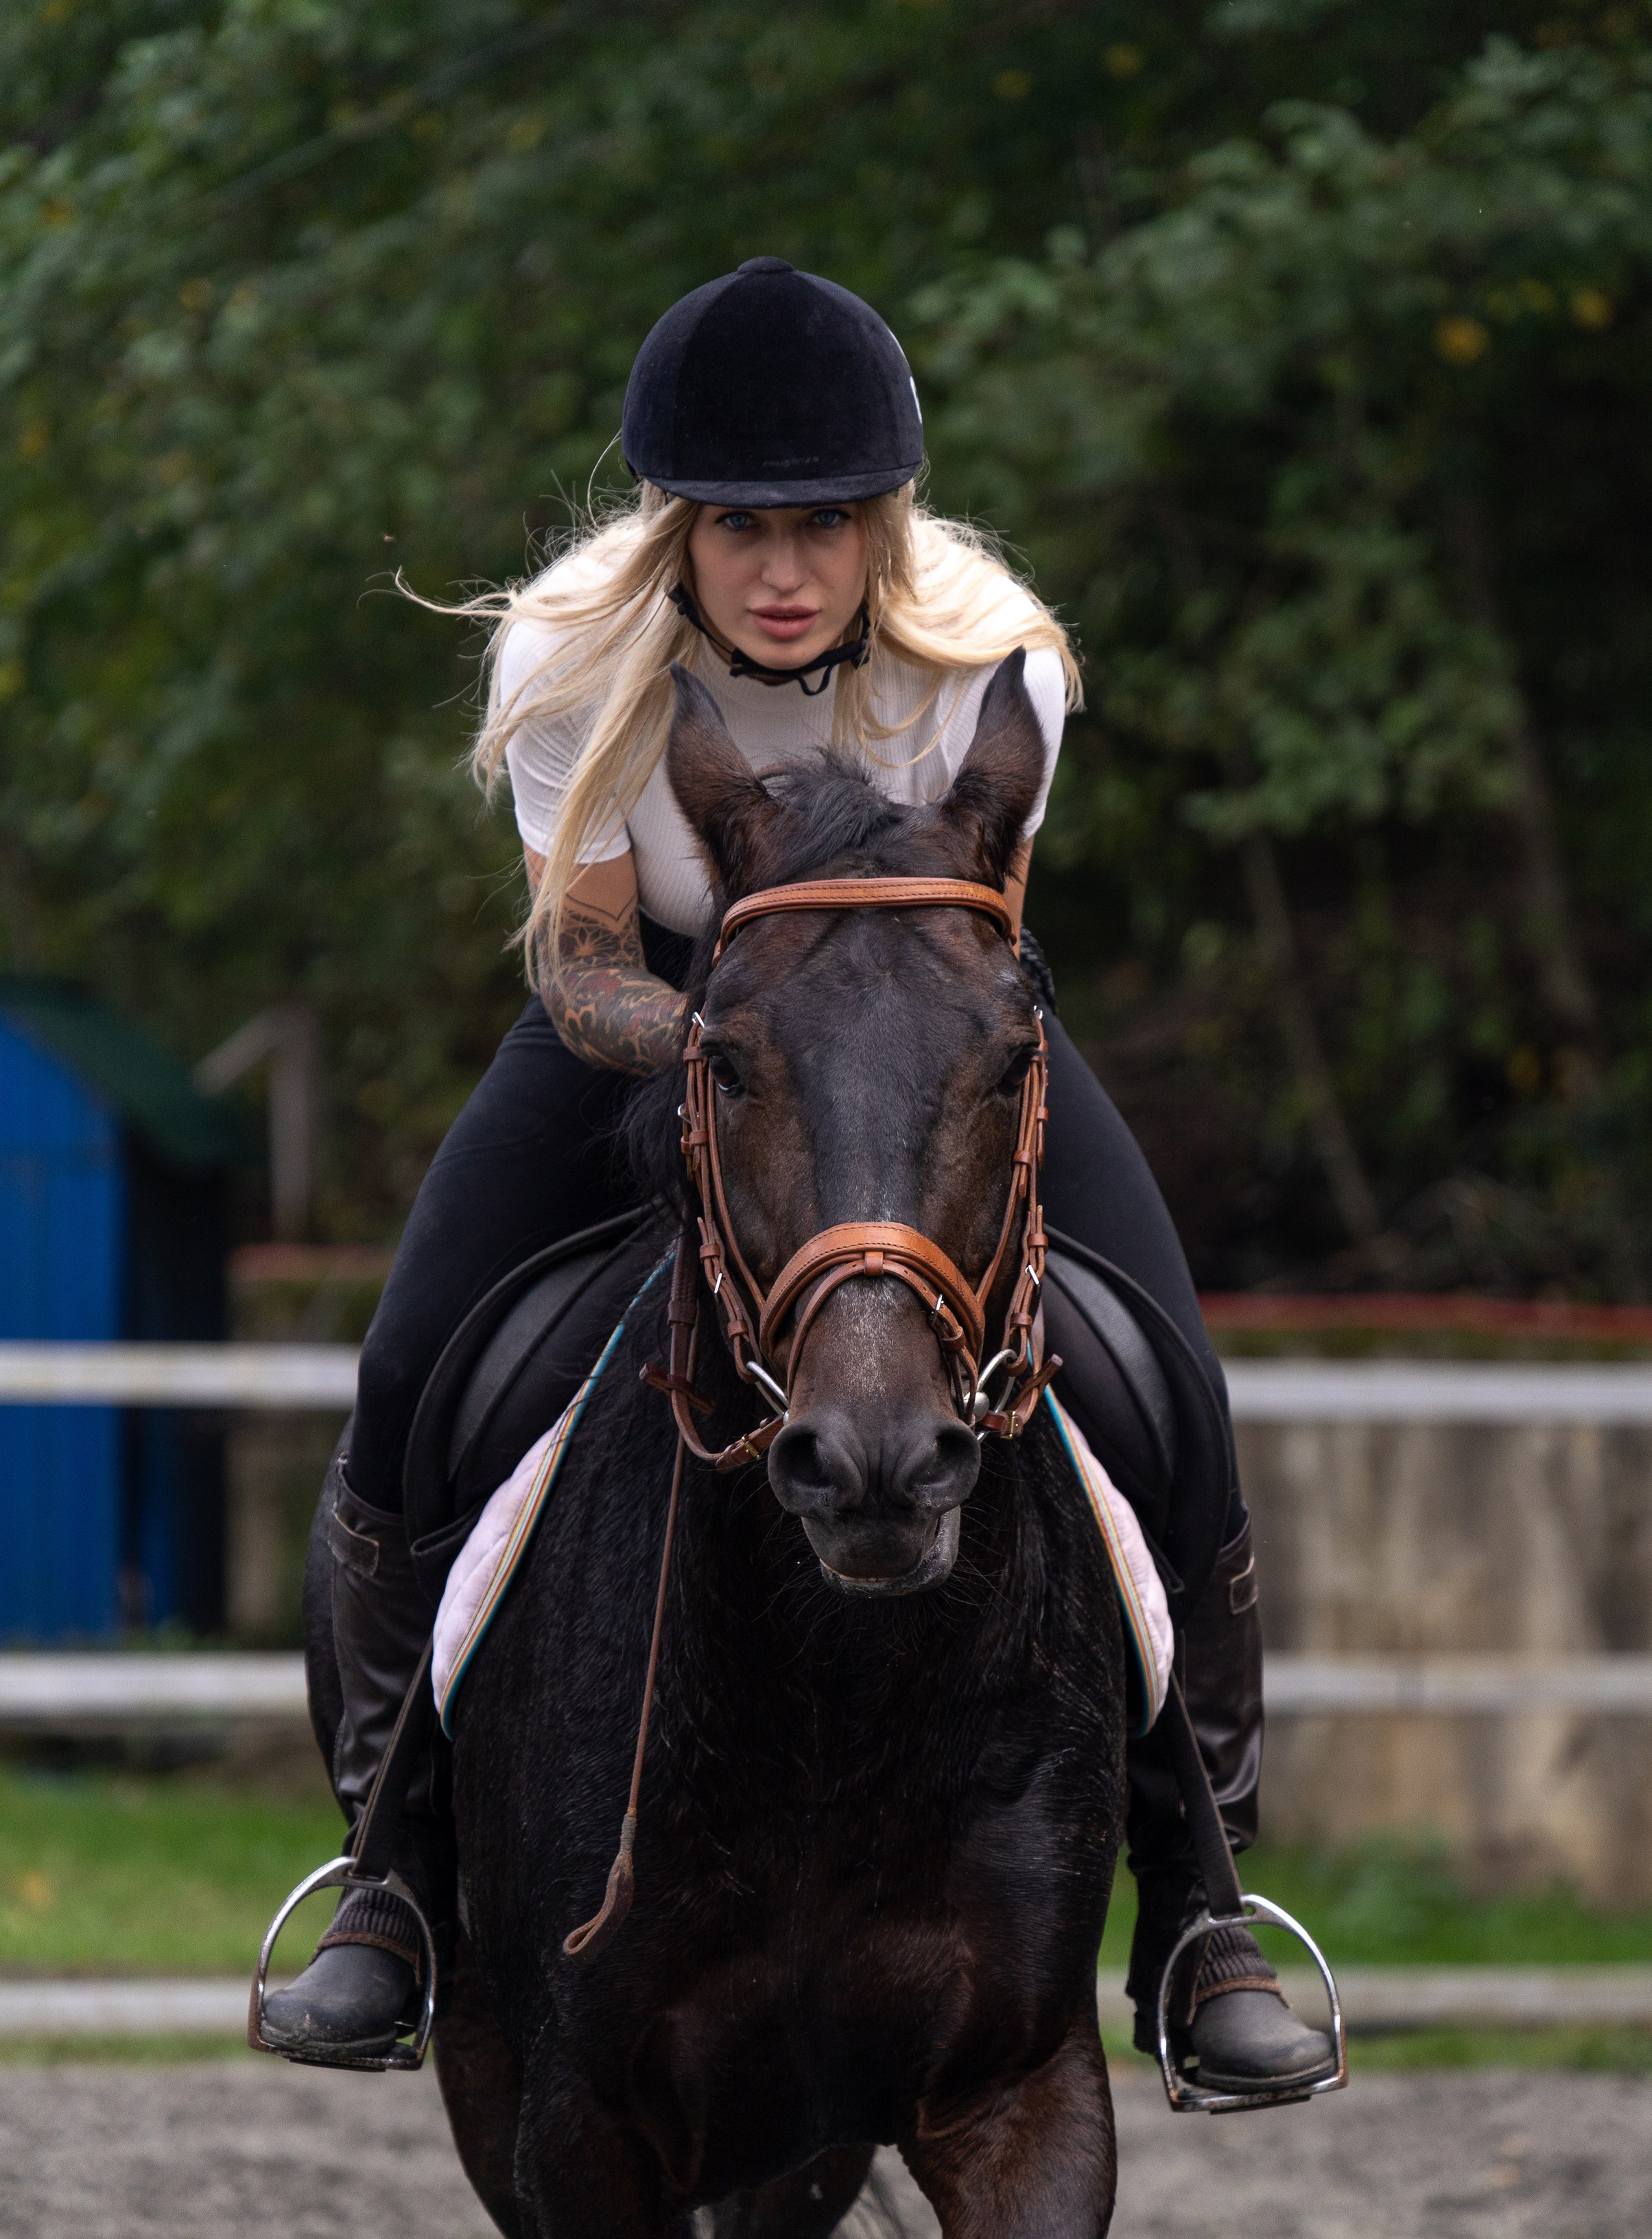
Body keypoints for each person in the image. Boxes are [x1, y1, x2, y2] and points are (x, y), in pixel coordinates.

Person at [259, 258, 1333, 2094]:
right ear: (682, 525)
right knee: (412, 1367)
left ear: (881, 529)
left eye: (823, 528)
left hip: (909, 1035)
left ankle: (1204, 1892)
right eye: (742, 526)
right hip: (664, 1020)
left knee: (1171, 1380)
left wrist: (836, 1082)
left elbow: (961, 951)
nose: (780, 570)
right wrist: (716, 1062)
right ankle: (392, 1877)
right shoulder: (569, 660)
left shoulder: (994, 671)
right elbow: (588, 955)